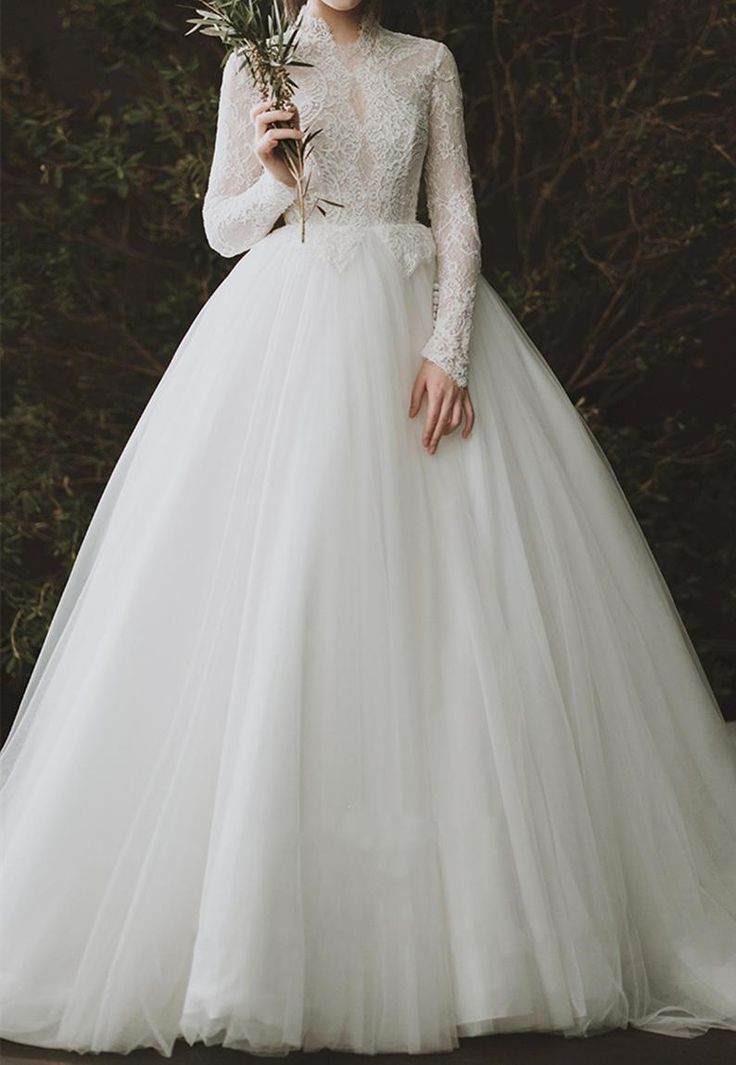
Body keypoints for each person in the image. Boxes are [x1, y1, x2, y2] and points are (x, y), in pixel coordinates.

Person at [1, 0, 735, 1056]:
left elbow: (458, 218)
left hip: (411, 337)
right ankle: (260, 938)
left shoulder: (426, 63)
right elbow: (223, 227)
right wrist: (274, 176)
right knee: (291, 600)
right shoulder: (257, 63)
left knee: (456, 626)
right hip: (286, 343)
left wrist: (449, 348)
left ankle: (481, 941)